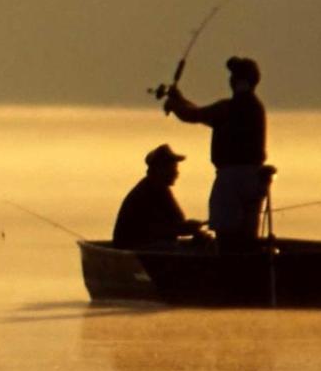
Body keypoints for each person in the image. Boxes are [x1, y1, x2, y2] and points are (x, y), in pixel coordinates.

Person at [163, 56, 267, 250]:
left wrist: (174, 105)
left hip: (230, 179)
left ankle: (226, 272)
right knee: (247, 239)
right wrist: (180, 100)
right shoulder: (256, 108)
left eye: (233, 76)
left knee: (226, 237)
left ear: (237, 81)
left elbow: (193, 115)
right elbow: (203, 113)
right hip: (254, 178)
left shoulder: (229, 107)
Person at [112, 144, 205, 249]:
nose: (176, 172)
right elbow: (157, 230)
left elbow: (174, 224)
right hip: (136, 248)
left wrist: (189, 228)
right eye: (172, 168)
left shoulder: (158, 188)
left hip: (146, 245)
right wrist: (188, 228)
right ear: (159, 169)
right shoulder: (148, 192)